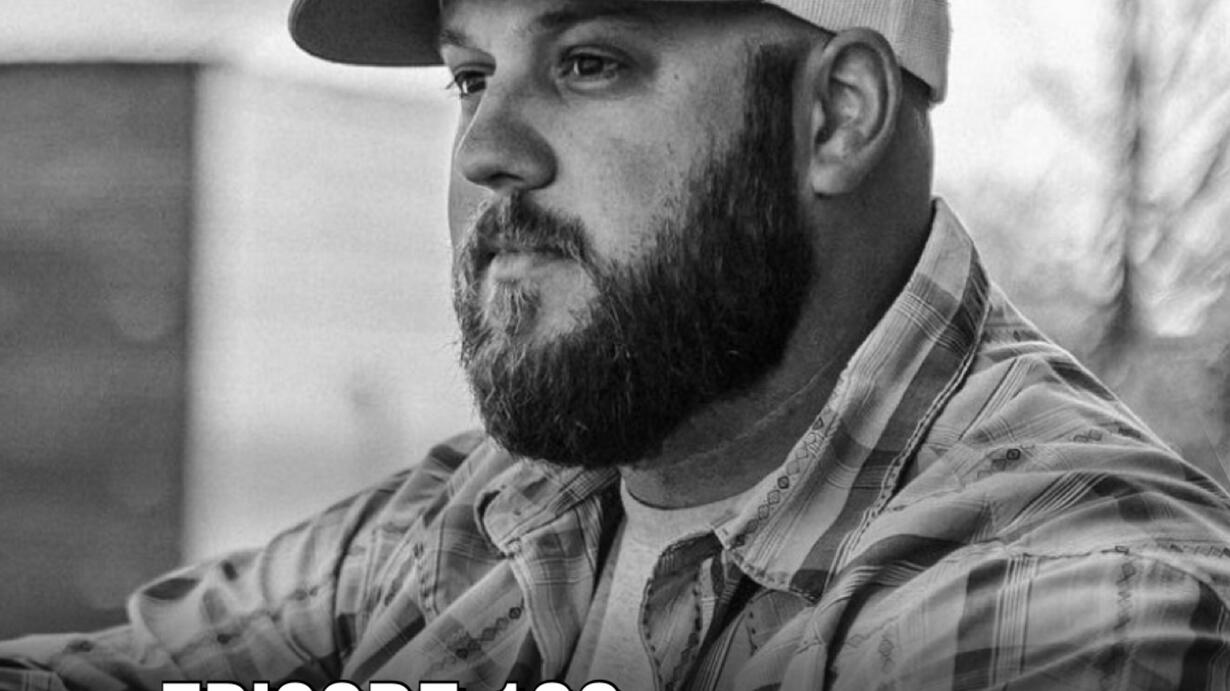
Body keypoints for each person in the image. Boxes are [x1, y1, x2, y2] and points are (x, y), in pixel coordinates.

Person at [4, 0, 1230, 688]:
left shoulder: (1076, 596)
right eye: (470, 78)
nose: (487, 149)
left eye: (588, 64)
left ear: (836, 116)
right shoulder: (481, 517)